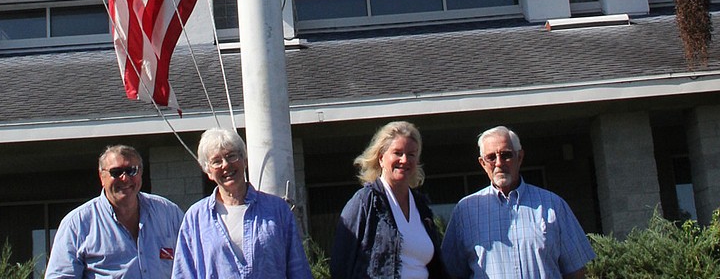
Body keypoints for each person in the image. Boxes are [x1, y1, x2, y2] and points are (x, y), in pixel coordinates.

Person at [440, 126, 595, 279]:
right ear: (482, 163)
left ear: (519, 157)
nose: (499, 163)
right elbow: (450, 272)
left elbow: (575, 271)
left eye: (506, 155)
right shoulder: (465, 211)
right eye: (491, 157)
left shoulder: (553, 205)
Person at [171, 128, 313, 279]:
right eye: (216, 161)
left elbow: (298, 269)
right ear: (208, 172)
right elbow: (184, 273)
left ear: (244, 160)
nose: (225, 165)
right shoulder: (196, 217)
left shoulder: (277, 210)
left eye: (231, 156)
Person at [331, 121, 449, 279]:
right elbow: (341, 263)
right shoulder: (365, 201)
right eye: (398, 153)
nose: (405, 160)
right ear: (381, 158)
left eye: (411, 154)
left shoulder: (421, 207)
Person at [45, 144, 184, 279]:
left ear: (140, 173)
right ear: (102, 177)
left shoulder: (168, 213)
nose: (125, 178)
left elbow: (191, 265)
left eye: (132, 170)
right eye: (116, 172)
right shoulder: (78, 224)